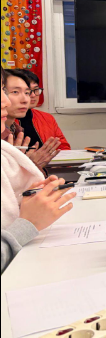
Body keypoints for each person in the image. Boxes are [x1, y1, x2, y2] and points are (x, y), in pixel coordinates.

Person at [1, 68, 76, 273]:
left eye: (29, 92)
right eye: (14, 92)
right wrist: (29, 167)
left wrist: (29, 174)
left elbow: (63, 147)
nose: (25, 99)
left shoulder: (20, 128)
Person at [1, 70, 62, 171]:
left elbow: (62, 145)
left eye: (27, 93)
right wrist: (31, 165)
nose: (25, 100)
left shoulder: (16, 129)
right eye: (15, 92)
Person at [12, 69, 71, 150]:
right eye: (28, 91)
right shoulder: (7, 119)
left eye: (36, 90)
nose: (33, 95)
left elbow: (63, 146)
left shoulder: (47, 118)